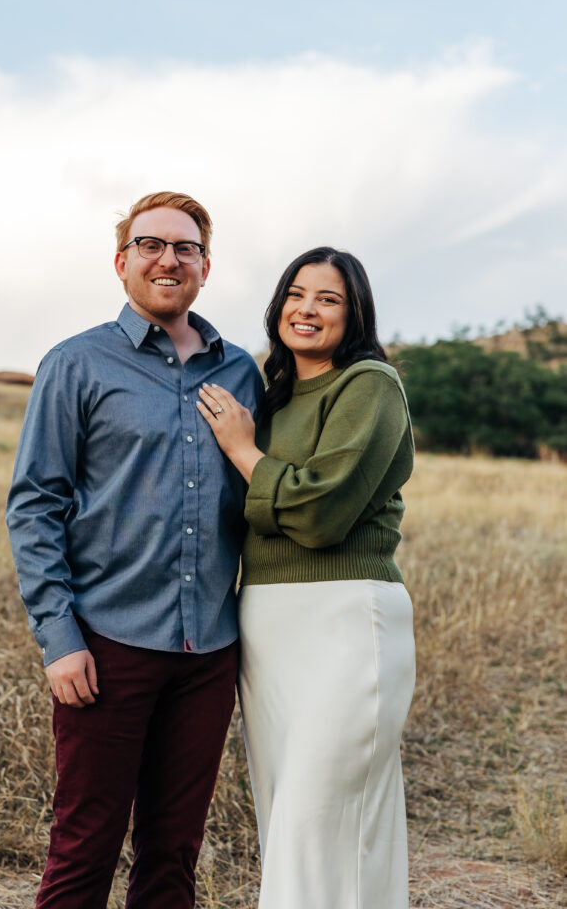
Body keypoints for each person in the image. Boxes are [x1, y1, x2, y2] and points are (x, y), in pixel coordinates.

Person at [6, 191, 264, 909]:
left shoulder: (240, 372)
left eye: (184, 248)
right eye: (150, 244)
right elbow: (34, 506)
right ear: (122, 262)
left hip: (208, 651)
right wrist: (59, 639)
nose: (167, 259)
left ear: (205, 268)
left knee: (174, 854)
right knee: (85, 845)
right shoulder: (76, 364)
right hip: (107, 644)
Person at [197, 246, 416, 909]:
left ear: (354, 315)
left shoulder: (369, 385)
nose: (307, 309)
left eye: (328, 298)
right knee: (297, 820)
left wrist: (241, 450)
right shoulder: (272, 398)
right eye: (296, 293)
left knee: (316, 816)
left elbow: (320, 514)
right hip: (266, 623)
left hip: (346, 620)